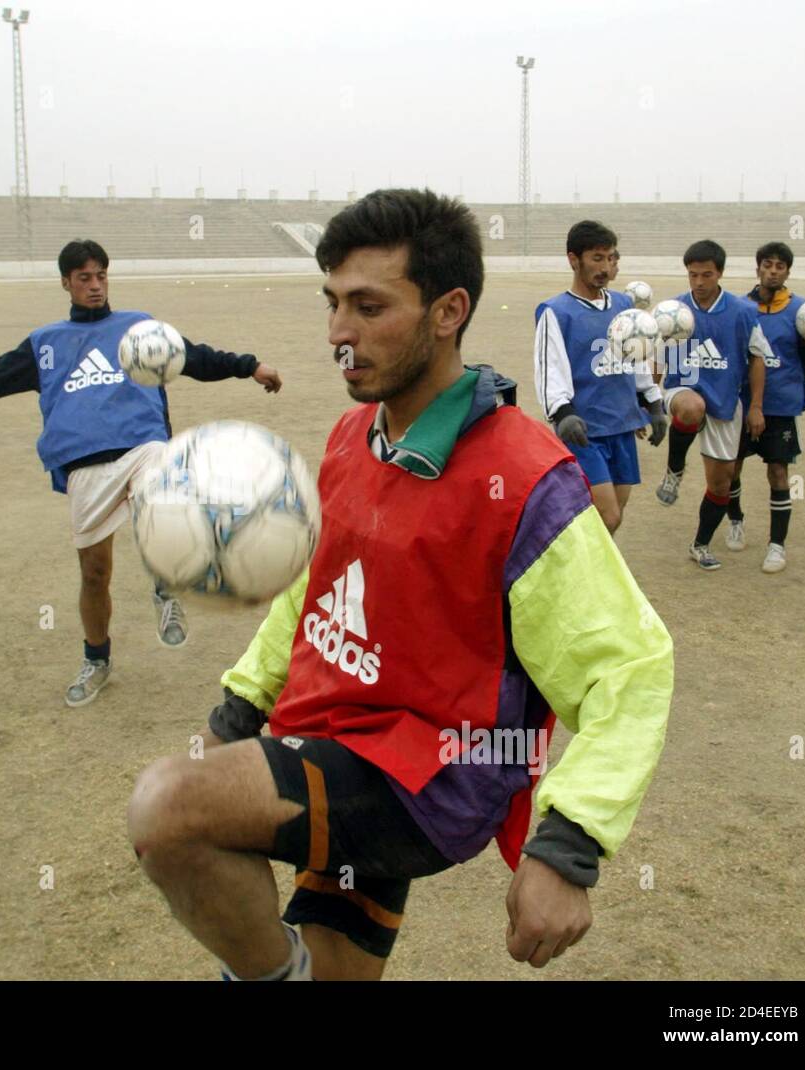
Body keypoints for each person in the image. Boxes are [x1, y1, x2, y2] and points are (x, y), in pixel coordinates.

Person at [126, 190, 673, 981]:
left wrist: (570, 846)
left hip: (429, 776)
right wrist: (240, 708)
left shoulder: (525, 479)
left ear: (449, 310)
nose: (338, 334)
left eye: (368, 306)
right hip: (339, 737)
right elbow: (315, 585)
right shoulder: (356, 433)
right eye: (334, 303)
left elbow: (629, 664)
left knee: (168, 809)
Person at [0, 239, 281, 707]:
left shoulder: (138, 328)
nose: (94, 285)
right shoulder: (45, 344)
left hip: (141, 444)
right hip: (85, 466)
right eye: (84, 278)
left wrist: (250, 367)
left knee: (163, 489)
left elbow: (196, 358)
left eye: (101, 275)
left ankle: (165, 586)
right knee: (94, 574)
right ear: (66, 283)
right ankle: (97, 659)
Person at [534, 220, 667, 534]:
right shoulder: (556, 311)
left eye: (610, 258)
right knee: (607, 517)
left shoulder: (623, 305)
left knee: (613, 516)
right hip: (584, 430)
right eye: (596, 258)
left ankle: (586, 576)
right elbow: (548, 368)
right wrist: (562, 413)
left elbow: (636, 358)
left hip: (621, 426)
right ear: (573, 259)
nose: (605, 267)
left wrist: (654, 403)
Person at [654, 240, 775, 570]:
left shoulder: (742, 312)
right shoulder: (673, 311)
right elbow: (659, 359)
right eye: (693, 275)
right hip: (683, 392)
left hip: (725, 401)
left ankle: (700, 544)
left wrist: (756, 407)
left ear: (720, 272)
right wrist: (651, 399)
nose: (699, 282)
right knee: (692, 406)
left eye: (706, 275)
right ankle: (674, 471)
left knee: (721, 482)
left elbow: (758, 359)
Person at [722, 242, 805, 573]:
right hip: (741, 406)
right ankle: (736, 520)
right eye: (768, 264)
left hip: (781, 406)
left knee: (778, 472)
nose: (773, 271)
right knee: (731, 468)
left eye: (780, 266)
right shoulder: (740, 308)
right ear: (757, 268)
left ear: (788, 271)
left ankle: (777, 545)